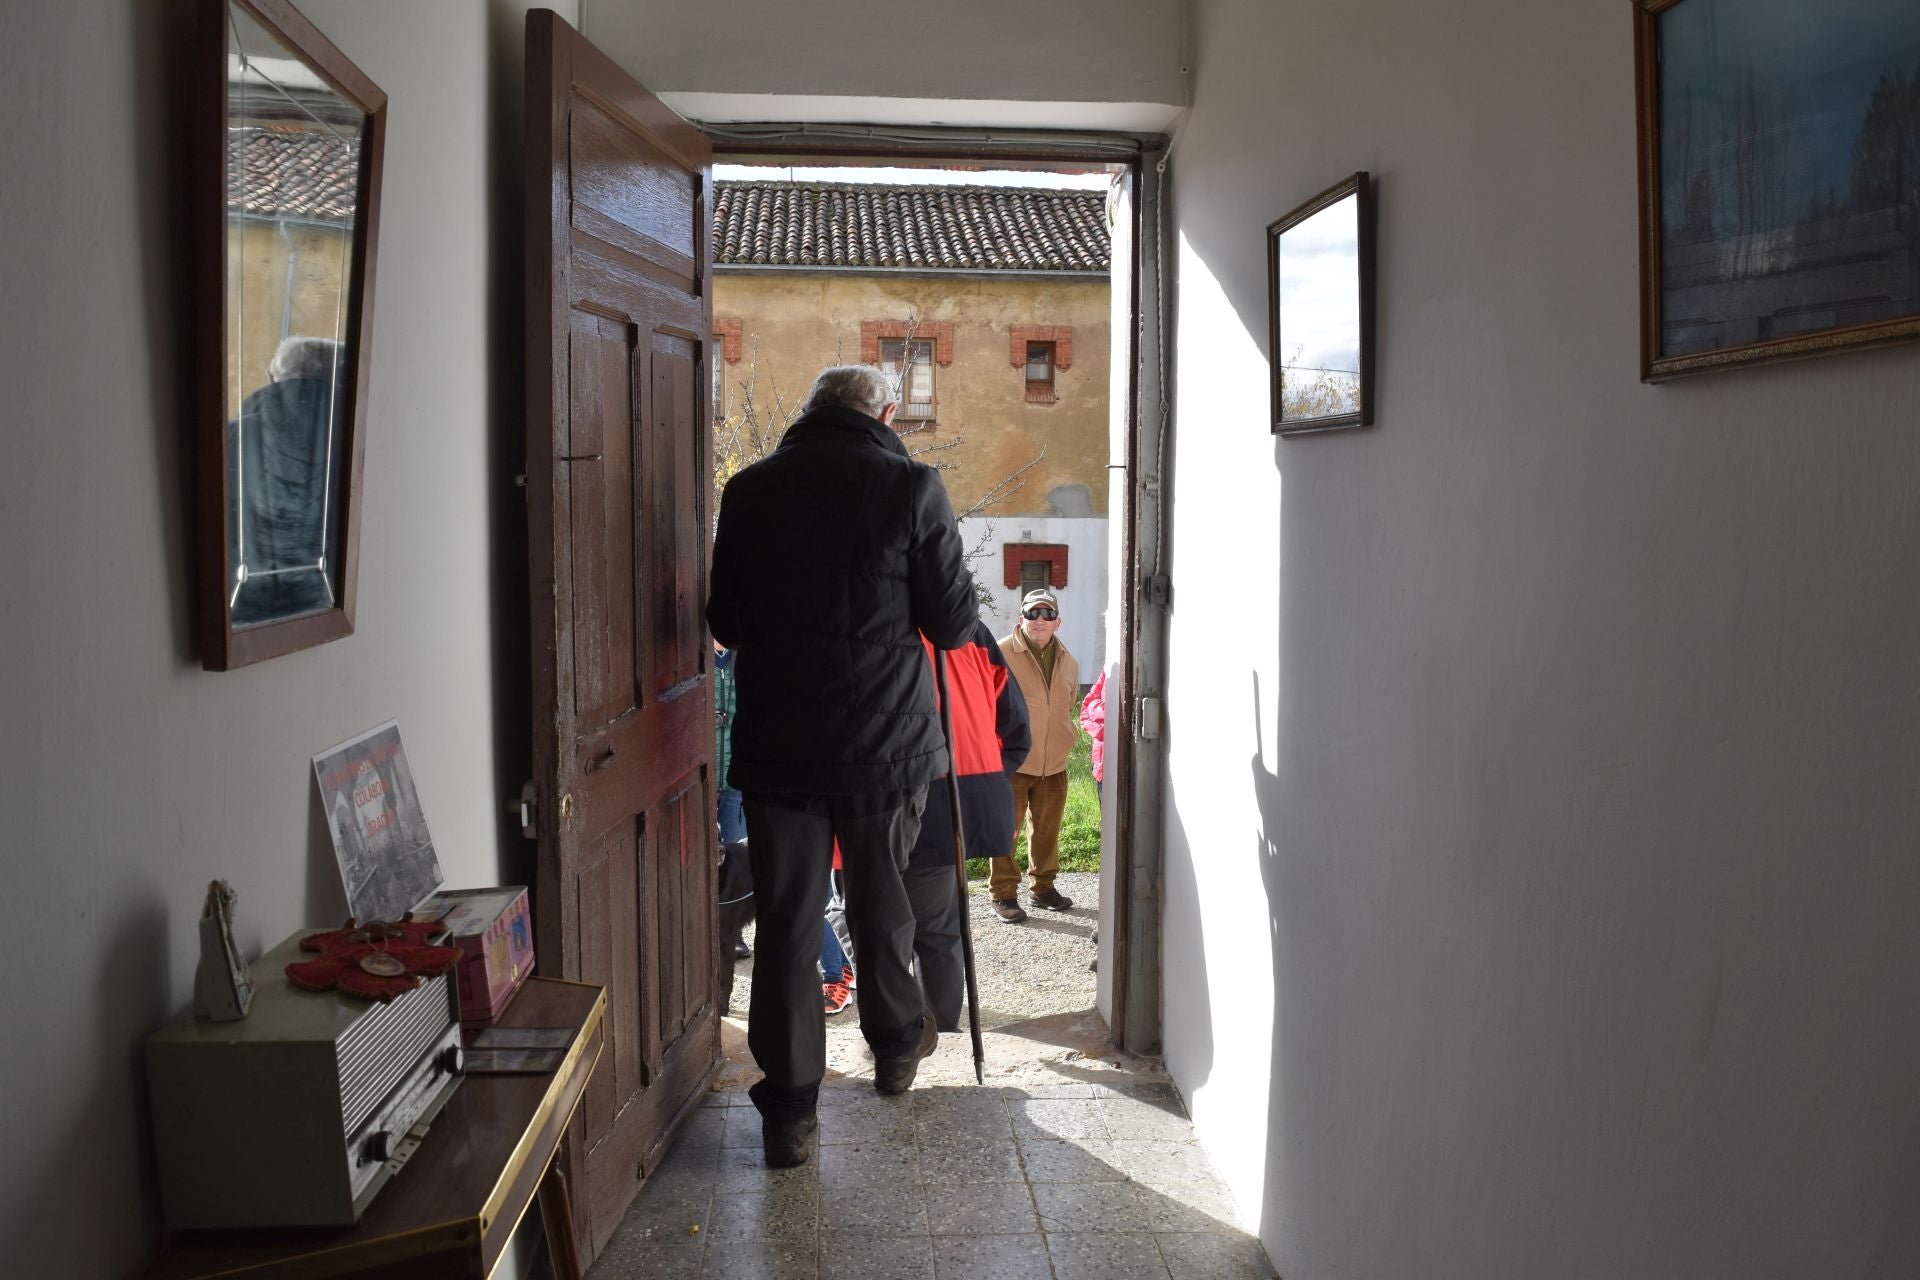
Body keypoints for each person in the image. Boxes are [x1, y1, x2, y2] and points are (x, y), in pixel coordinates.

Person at [707, 363, 977, 1169]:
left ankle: (790, 1112)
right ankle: (896, 1051)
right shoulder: (912, 487)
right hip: (885, 743)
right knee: (881, 902)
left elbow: (725, 618)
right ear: (885, 411)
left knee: (789, 921)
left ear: (809, 409)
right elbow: (956, 624)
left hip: (780, 743)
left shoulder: (749, 490)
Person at [904, 619, 1030, 1030]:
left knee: (865, 921)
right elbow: (1015, 728)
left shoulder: (864, 616)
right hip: (949, 795)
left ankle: (906, 1033)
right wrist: (985, 776)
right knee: (936, 928)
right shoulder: (967, 627)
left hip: (885, 796)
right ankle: (936, 1032)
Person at [993, 588, 1081, 923]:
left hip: (1053, 762)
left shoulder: (1068, 661)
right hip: (1013, 759)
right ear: (1021, 618)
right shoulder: (1001, 652)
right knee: (1006, 829)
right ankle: (1003, 893)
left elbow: (1068, 704)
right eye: (1032, 613)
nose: (1039, 620)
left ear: (1057, 622)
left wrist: (1061, 736)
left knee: (1047, 830)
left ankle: (1043, 888)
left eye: (1046, 614)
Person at [1080, 667, 1108, 799]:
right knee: (1108, 818)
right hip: (1101, 766)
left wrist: (1096, 709)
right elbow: (1086, 706)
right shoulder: (1108, 669)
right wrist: (1102, 731)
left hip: (1127, 768)